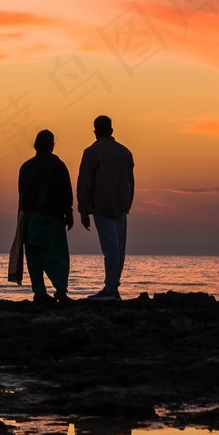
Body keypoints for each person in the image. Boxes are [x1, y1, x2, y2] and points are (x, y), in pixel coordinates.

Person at [76, 115, 134, 301]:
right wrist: (127, 203)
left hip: (102, 207)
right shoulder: (125, 152)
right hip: (121, 207)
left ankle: (110, 289)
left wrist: (83, 209)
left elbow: (85, 182)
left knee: (111, 251)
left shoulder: (92, 152)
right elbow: (130, 182)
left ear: (95, 132)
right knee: (119, 251)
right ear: (111, 130)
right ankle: (113, 288)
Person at [18, 129, 74, 304]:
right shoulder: (58, 165)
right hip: (52, 218)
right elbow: (66, 193)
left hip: (31, 219)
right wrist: (69, 214)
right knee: (57, 255)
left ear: (35, 146)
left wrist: (21, 221)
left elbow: (22, 195)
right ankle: (60, 291)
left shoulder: (26, 167)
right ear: (52, 146)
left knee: (34, 257)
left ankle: (39, 291)